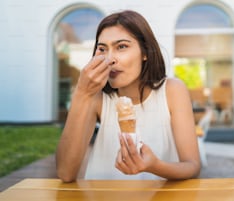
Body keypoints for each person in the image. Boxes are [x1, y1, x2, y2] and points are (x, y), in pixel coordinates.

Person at [56, 10, 201, 182]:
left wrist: (154, 166)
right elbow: (65, 173)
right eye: (102, 49)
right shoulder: (96, 98)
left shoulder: (172, 90)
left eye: (121, 47)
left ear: (145, 52)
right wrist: (81, 94)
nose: (109, 59)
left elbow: (192, 166)